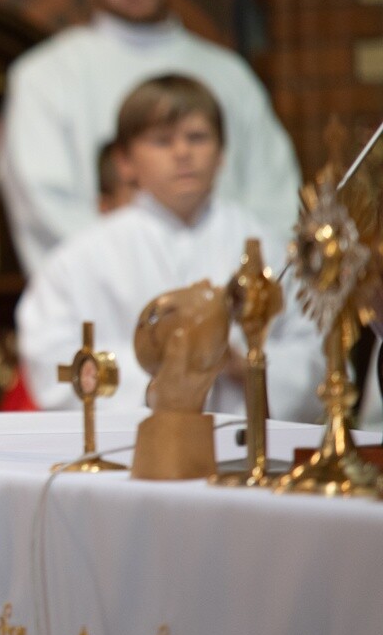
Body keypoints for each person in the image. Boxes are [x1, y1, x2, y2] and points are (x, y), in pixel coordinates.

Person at [0, 0, 300, 274]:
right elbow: (45, 208)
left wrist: (227, 283)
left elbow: (275, 196)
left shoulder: (228, 74)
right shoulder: (44, 77)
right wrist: (141, 279)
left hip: (228, 297)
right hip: (108, 300)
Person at [16, 74, 323, 421]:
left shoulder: (268, 246)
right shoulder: (79, 260)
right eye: (162, 141)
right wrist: (170, 366)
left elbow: (313, 351)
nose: (182, 153)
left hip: (246, 440)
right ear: (125, 162)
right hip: (132, 449)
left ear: (222, 153)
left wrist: (243, 363)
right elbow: (53, 362)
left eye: (197, 137)